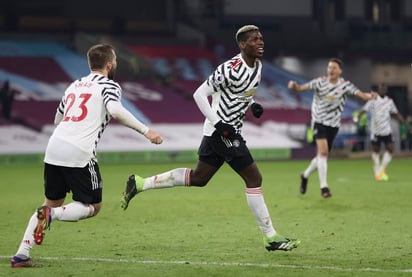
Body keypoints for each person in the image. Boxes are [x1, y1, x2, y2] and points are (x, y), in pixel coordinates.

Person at [121, 25, 300, 252]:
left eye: (261, 38)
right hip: (222, 133)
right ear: (243, 44)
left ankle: (139, 183)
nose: (260, 42)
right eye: (255, 39)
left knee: (199, 178)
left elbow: (240, 93)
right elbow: (199, 94)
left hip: (227, 130)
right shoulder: (229, 69)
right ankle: (270, 237)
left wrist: (253, 105)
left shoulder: (258, 66)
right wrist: (219, 123)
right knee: (254, 178)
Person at [11, 44, 163, 268]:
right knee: (92, 206)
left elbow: (57, 118)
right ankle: (51, 216)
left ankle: (21, 254)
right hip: (79, 151)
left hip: (54, 147)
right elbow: (116, 110)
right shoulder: (109, 85)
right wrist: (146, 131)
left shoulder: (74, 85)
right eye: (116, 63)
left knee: (51, 202)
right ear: (109, 65)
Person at [288, 58, 377, 198]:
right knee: (323, 153)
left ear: (340, 71)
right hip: (318, 122)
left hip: (334, 125)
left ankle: (305, 175)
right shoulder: (320, 82)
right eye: (329, 67)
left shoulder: (345, 85)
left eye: (334, 68)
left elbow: (361, 95)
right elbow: (300, 88)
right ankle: (324, 187)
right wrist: (294, 86)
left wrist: (370, 96)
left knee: (321, 157)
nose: (331, 70)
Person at [355, 83, 404, 181]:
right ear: (378, 90)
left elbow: (395, 112)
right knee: (376, 151)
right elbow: (364, 110)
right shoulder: (373, 101)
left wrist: (401, 120)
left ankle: (381, 170)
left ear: (386, 90)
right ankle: (377, 169)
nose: (383, 89)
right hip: (376, 131)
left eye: (384, 88)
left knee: (390, 149)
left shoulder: (389, 102)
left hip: (386, 130)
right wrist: (358, 117)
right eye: (381, 88)